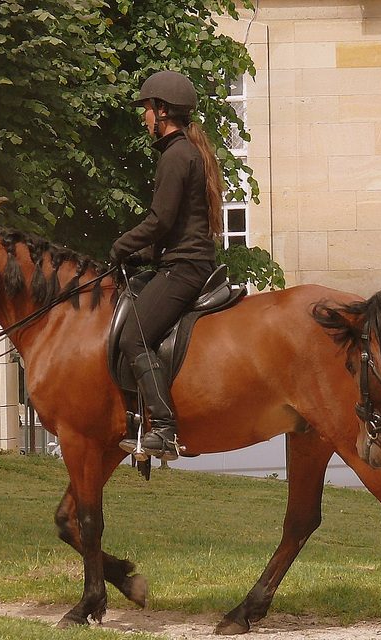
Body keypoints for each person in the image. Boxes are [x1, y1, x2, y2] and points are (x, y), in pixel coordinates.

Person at [110, 69, 225, 460]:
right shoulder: (184, 152)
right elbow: (176, 226)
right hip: (181, 260)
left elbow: (159, 220)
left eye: (146, 109)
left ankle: (164, 428)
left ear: (162, 111)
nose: (143, 117)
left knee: (133, 337)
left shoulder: (177, 155)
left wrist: (120, 246)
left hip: (185, 267)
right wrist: (143, 254)